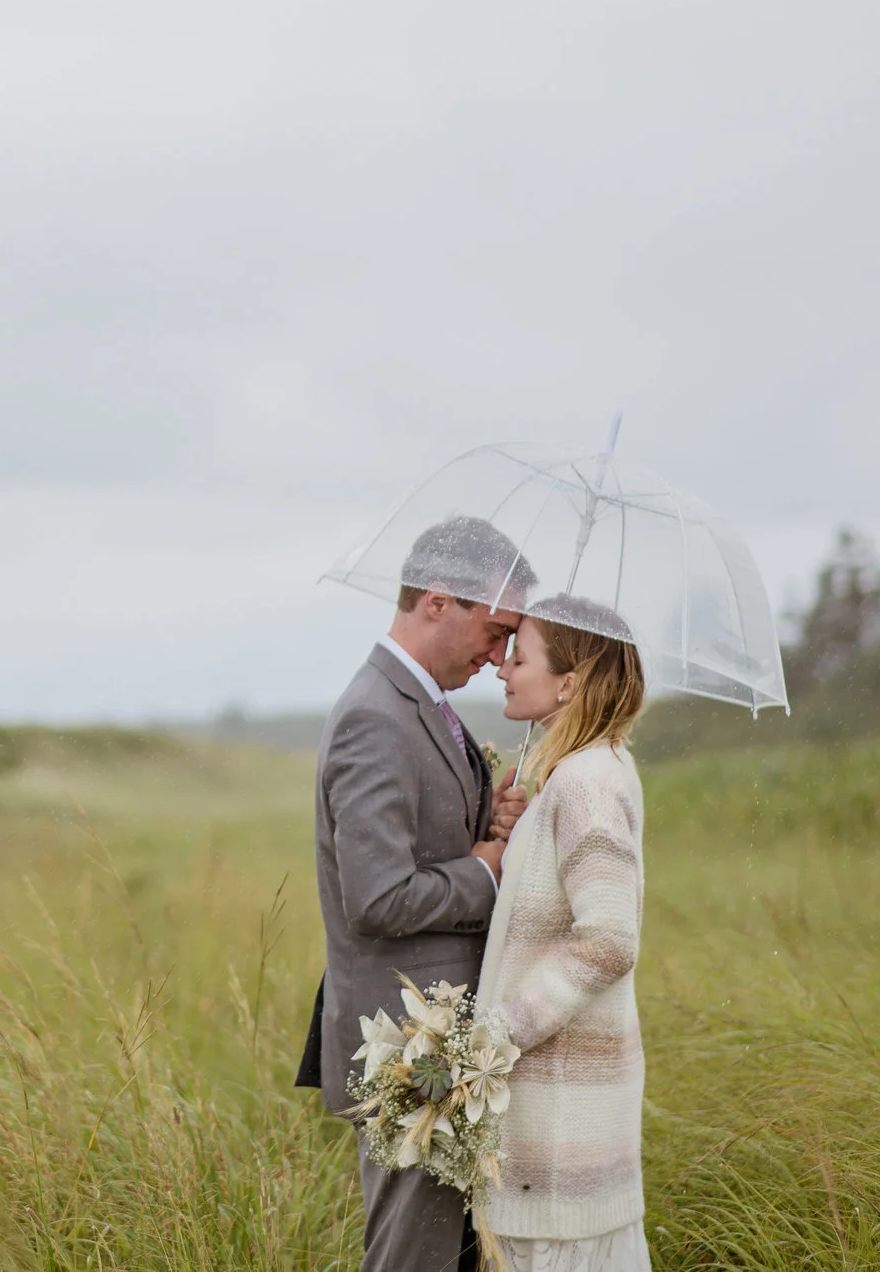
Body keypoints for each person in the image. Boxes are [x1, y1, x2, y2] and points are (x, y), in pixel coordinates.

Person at [300, 516, 534, 1272]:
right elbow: (378, 897)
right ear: (439, 601)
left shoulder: (422, 703)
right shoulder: (375, 714)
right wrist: (489, 866)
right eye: (496, 630)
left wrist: (488, 818)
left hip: (442, 1046)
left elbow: (427, 846)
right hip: (408, 1050)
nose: (500, 656)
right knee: (412, 1260)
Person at [477, 598, 652, 1272]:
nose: (503, 668)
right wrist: (509, 829)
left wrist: (498, 1031)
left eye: (519, 657)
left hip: (560, 1148)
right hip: (560, 1143)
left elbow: (609, 938)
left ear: (569, 683)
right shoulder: (575, 775)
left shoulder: (587, 781)